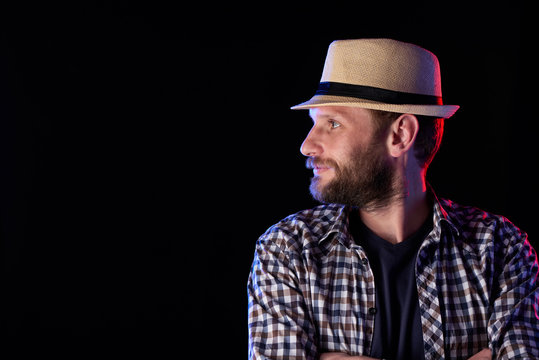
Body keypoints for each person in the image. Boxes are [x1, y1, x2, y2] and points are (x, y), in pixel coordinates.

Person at [247, 39, 539, 360]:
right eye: (314, 123)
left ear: (399, 135)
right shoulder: (288, 250)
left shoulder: (500, 249)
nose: (307, 145)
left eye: (333, 123)